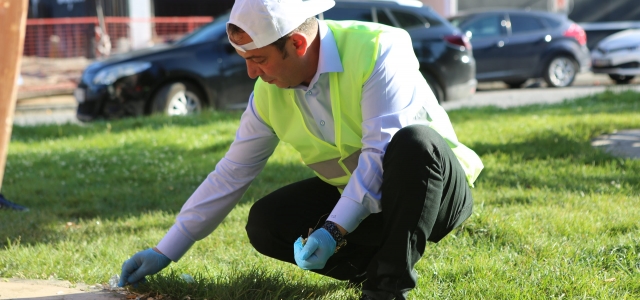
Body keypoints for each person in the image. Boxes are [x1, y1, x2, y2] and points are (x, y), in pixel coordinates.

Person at [118, 0, 483, 299]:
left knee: (413, 143)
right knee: (266, 222)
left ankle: (385, 287)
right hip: (366, 202)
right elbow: (232, 171)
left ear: (297, 44)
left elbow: (380, 153)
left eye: (258, 59)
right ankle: (372, 266)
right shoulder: (267, 94)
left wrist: (334, 230)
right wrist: (166, 249)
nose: (250, 73)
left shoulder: (378, 48)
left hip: (435, 193)